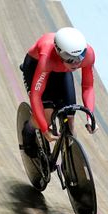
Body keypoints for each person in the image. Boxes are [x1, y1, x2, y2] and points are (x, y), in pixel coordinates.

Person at [19, 27, 96, 157]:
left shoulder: (88, 55)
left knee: (70, 118)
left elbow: (88, 87)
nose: (76, 63)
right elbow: (36, 96)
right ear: (59, 52)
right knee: (47, 117)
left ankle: (70, 165)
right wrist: (44, 129)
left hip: (61, 70)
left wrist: (90, 118)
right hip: (37, 67)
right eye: (70, 59)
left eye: (80, 57)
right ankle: (28, 130)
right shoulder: (47, 57)